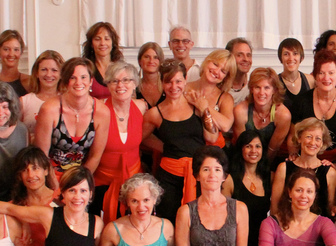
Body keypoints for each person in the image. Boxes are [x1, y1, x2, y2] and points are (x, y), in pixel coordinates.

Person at [141, 60, 222, 223]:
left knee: (200, 220)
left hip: (198, 174)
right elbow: (141, 137)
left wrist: (204, 109)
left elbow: (212, 137)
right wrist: (164, 148)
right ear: (161, 82)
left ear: (185, 80)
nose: (174, 86)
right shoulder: (155, 113)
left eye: (178, 81)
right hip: (168, 175)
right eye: (168, 82)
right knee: (169, 220)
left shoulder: (195, 104)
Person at [34, 57, 111, 180]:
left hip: (81, 177)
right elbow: (41, 155)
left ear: (91, 81)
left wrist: (79, 183)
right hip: (49, 175)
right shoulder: (49, 109)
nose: (78, 82)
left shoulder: (102, 112)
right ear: (65, 82)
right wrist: (54, 184)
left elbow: (95, 157)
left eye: (83, 77)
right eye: (72, 78)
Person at [92, 62, 146, 222]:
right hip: (102, 184)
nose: (120, 85)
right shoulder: (98, 109)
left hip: (135, 184)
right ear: (108, 85)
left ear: (135, 84)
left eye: (126, 80)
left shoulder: (141, 107)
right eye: (114, 81)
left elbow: (146, 136)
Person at [223, 130, 272, 246]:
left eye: (258, 146)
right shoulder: (230, 179)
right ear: (241, 149)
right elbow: (224, 220)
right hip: (237, 240)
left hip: (262, 239)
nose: (253, 151)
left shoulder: (269, 177)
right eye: (248, 146)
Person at [288, 49, 336, 161]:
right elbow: (293, 139)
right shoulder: (301, 102)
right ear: (315, 75)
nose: (326, 78)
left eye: (331, 73)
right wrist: (297, 159)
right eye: (321, 73)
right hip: (305, 160)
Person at [9, 147, 55, 246]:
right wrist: (23, 219)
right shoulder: (14, 206)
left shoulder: (63, 199)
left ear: (46, 170)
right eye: (25, 170)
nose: (30, 175)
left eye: (35, 168)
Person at [271, 118, 336, 217]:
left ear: (322, 143)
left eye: (318, 139)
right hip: (287, 224)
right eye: (309, 137)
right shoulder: (283, 168)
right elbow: (275, 207)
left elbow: (330, 208)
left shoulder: (330, 172)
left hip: (318, 225)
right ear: (299, 138)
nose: (312, 142)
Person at [232, 67, 292, 160]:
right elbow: (242, 146)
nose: (261, 93)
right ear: (251, 89)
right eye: (257, 87)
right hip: (242, 157)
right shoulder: (240, 110)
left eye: (266, 88)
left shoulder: (283, 115)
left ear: (274, 90)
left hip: (269, 159)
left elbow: (272, 149)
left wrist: (262, 167)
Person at [184, 49, 237, 134]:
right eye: (215, 64)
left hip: (211, 142)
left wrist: (204, 107)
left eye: (223, 71)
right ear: (207, 61)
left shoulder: (225, 98)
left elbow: (226, 126)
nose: (216, 71)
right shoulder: (184, 88)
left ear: (226, 77)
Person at [19, 50, 64, 141]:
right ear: (36, 73)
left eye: (54, 70)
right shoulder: (24, 102)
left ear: (61, 74)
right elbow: (15, 134)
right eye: (44, 70)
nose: (48, 74)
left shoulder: (68, 100)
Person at [81, 22, 124, 100]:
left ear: (112, 42)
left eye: (107, 39)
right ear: (91, 44)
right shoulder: (84, 69)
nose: (102, 43)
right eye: (97, 39)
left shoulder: (122, 69)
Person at [278, 37, 315, 104]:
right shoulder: (275, 82)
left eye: (295, 53)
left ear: (301, 58)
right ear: (280, 58)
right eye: (286, 54)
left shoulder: (310, 80)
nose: (291, 58)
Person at [135, 42, 166, 109]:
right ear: (140, 61)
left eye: (155, 57)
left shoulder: (167, 86)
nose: (151, 61)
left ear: (161, 61)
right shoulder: (133, 87)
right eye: (147, 57)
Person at [225, 38, 254, 104]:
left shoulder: (253, 89)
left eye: (248, 55)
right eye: (239, 55)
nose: (246, 59)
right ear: (228, 58)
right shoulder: (218, 87)